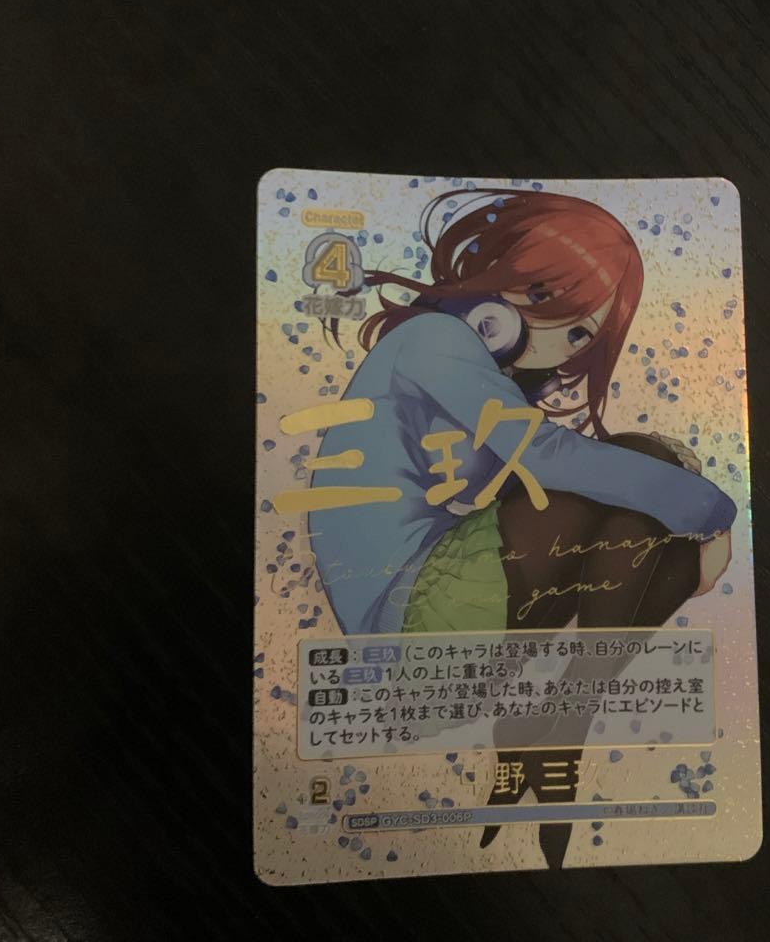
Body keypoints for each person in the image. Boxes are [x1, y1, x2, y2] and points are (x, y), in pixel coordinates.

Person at [311, 188, 736, 867]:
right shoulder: (435, 341)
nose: (552, 335)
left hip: (458, 644)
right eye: (541, 295)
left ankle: (553, 723)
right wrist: (709, 512)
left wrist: (671, 499)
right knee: (645, 475)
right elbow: (544, 455)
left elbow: (537, 485)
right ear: (497, 273)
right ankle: (562, 722)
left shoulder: (485, 378)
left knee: (651, 522)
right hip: (413, 630)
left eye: (579, 333)